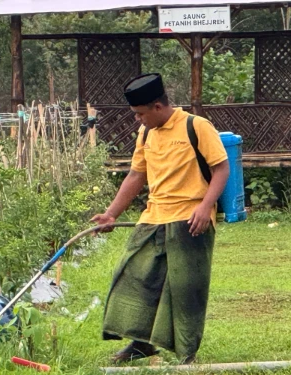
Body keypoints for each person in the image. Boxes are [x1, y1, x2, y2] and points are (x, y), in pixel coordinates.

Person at [90, 73, 230, 365]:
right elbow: (136, 175)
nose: (138, 120)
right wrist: (111, 213)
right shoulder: (146, 134)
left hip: (191, 219)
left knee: (185, 289)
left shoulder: (196, 126)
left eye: (141, 114)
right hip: (153, 217)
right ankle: (141, 344)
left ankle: (186, 353)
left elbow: (221, 169)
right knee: (134, 276)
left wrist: (206, 207)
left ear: (157, 107)